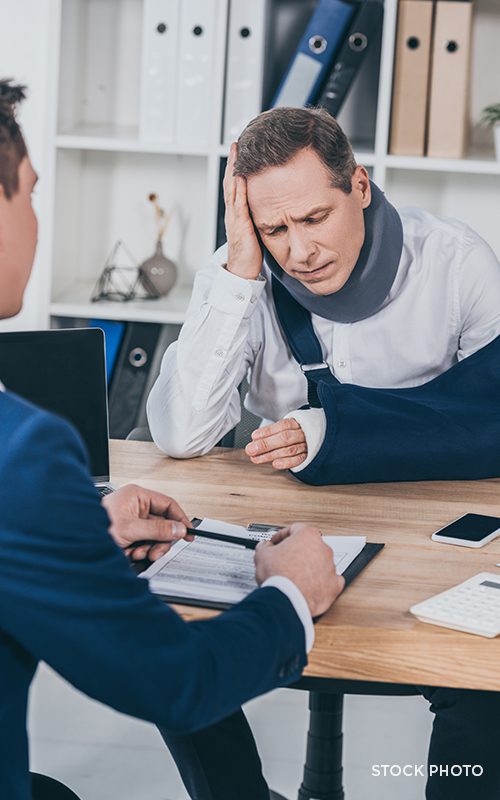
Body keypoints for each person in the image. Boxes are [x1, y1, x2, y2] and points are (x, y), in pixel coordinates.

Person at [0, 81, 344, 800]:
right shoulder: (22, 453)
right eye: (28, 194)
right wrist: (292, 591)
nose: (36, 218)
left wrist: (76, 528)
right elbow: (178, 684)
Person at [147, 107, 500, 799]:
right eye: (275, 228)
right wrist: (242, 268)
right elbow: (183, 433)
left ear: (360, 186)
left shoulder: (456, 263)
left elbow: (493, 418)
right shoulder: (239, 273)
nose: (301, 251)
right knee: (166, 639)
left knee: (489, 679)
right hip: (289, 537)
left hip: (430, 549)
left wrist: (341, 433)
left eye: (314, 218)